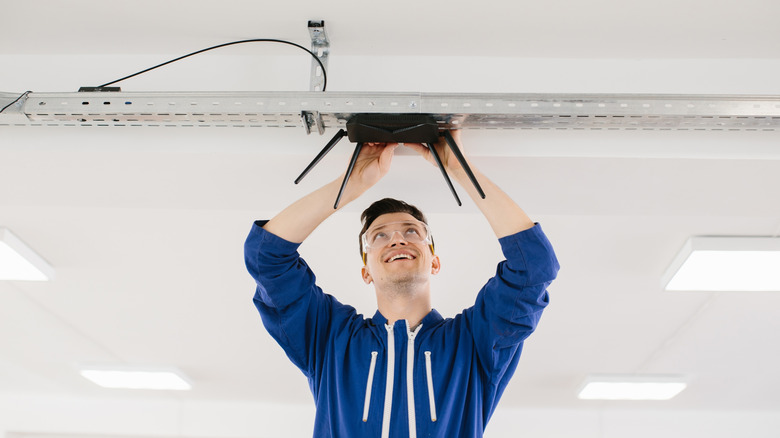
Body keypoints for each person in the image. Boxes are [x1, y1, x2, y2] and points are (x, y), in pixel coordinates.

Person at [244, 130, 559, 438]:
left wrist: (458, 168)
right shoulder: (329, 340)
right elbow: (266, 256)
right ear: (366, 270)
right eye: (379, 236)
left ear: (434, 260)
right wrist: (349, 185)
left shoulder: (474, 342)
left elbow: (533, 266)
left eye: (412, 232)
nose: (396, 239)